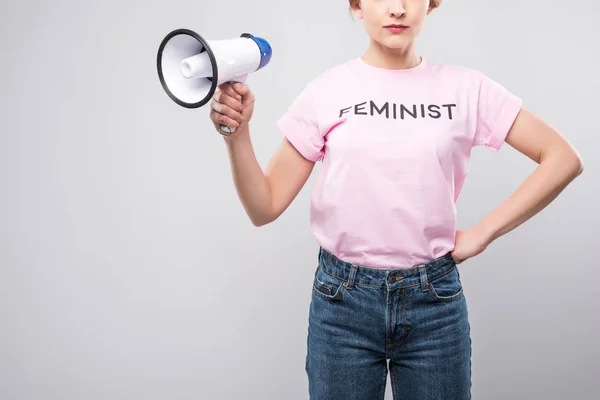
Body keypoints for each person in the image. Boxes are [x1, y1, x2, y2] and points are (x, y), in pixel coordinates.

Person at [209, 1, 584, 398]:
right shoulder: (326, 91)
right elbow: (264, 206)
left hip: (434, 302)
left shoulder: (466, 89)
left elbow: (563, 159)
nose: (398, 9)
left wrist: (484, 233)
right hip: (342, 304)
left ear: (431, 4)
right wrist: (237, 134)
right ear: (356, 6)